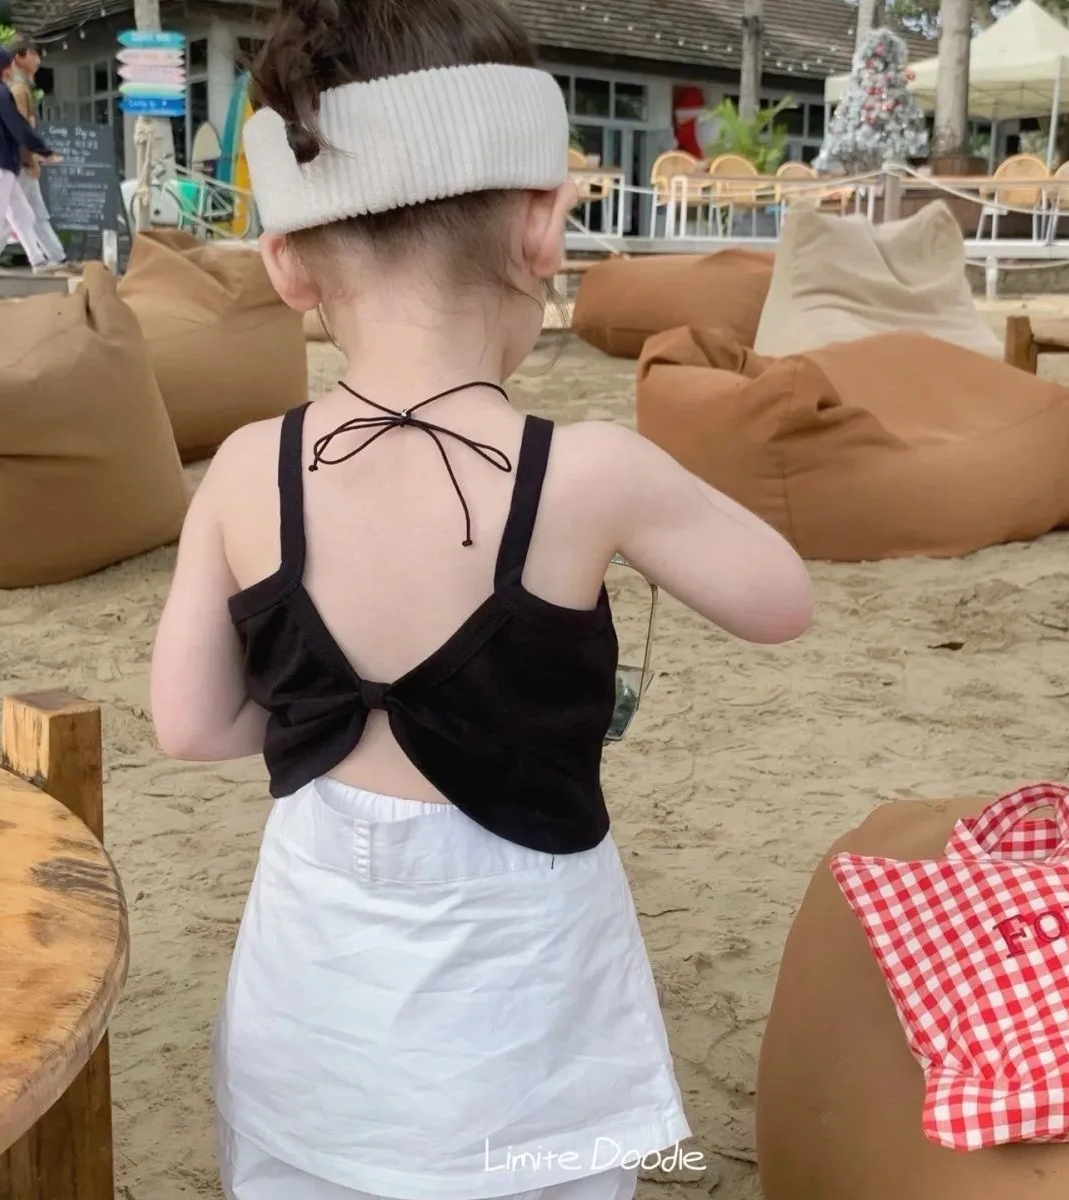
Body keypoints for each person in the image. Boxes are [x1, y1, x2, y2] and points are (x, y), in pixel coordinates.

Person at [149, 0, 814, 1197]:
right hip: (527, 1023)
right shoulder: (591, 473)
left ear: (286, 262)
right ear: (544, 229)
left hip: (314, 1014)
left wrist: (318, 715)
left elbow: (190, 724)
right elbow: (780, 600)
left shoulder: (249, 468)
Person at [0, 40, 60, 272]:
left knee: (21, 213)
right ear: (6, 68)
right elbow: (18, 126)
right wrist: (43, 150)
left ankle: (37, 259)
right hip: (0, 163)